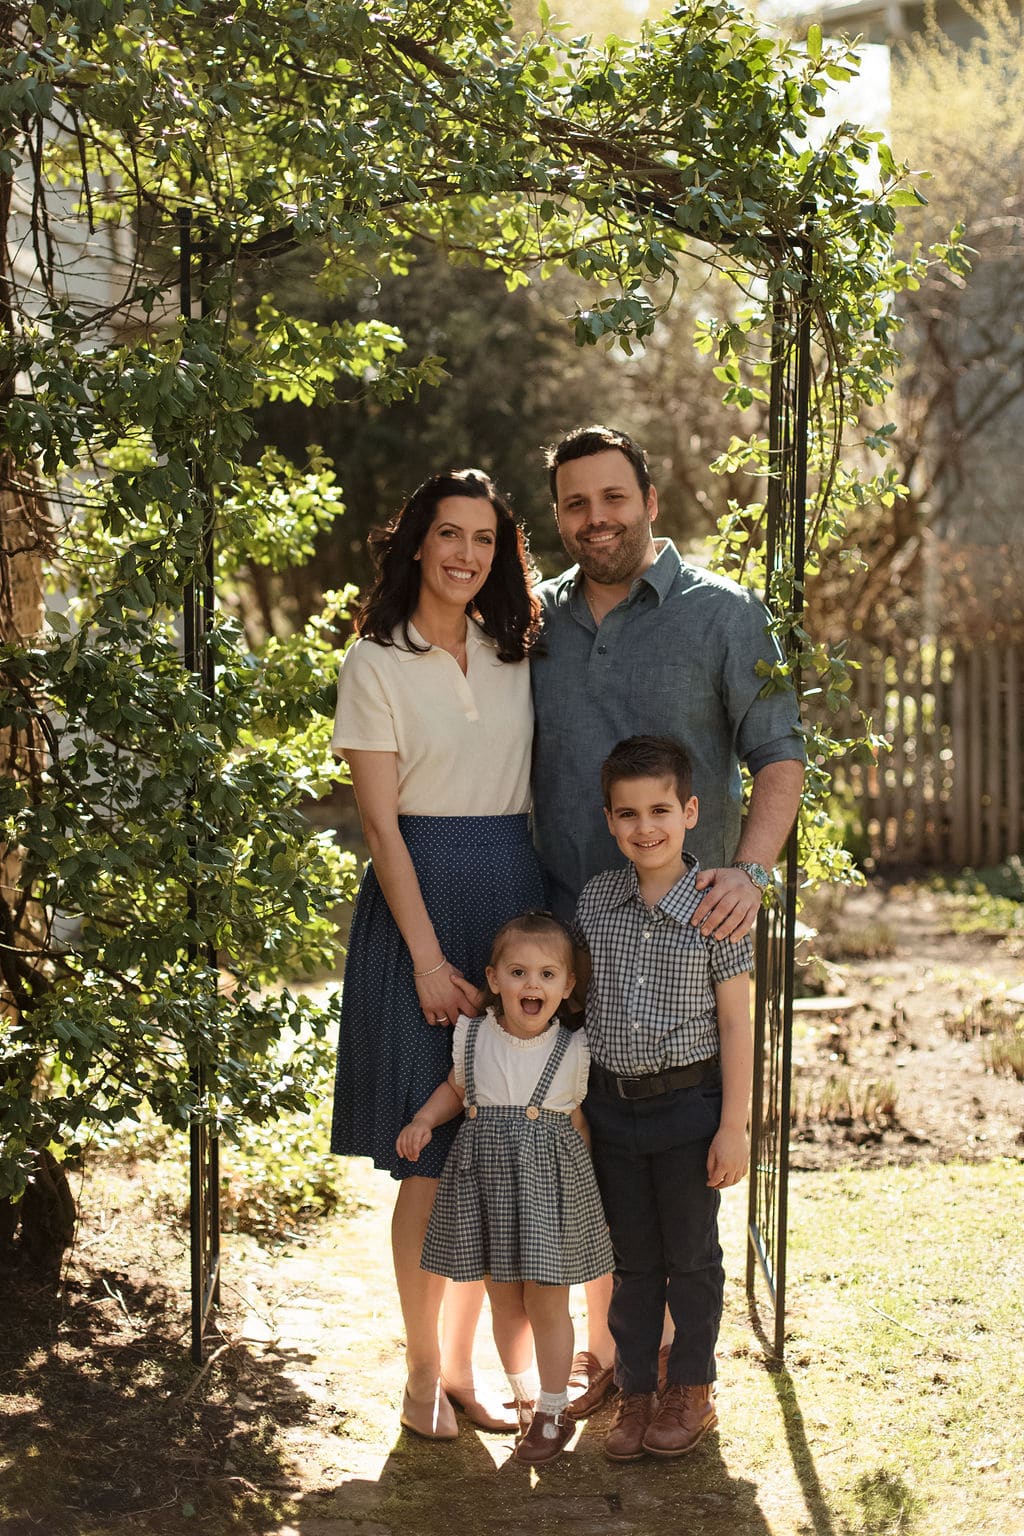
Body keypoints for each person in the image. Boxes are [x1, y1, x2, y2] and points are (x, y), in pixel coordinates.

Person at [530, 423, 805, 1414]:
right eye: (573, 502)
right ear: (555, 514)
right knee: (593, 1157)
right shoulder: (534, 620)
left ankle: (673, 1377)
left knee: (681, 1178)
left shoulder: (723, 613)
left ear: (649, 498)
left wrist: (749, 873)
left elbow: (778, 755)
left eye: (611, 497)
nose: (594, 518)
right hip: (564, 936)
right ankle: (614, 1358)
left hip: (689, 937)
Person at [330, 468, 544, 1440]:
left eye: (484, 540)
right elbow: (379, 828)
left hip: (509, 897)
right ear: (417, 541)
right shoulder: (373, 662)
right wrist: (423, 961)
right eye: (449, 534)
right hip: (415, 906)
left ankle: (462, 1372)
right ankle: (421, 1376)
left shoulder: (516, 651)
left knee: (492, 1151)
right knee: (429, 1168)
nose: (465, 554)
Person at [572, 735, 754, 1460]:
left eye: (659, 810)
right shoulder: (596, 901)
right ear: (609, 820)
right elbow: (578, 1008)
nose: (644, 827)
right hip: (614, 1111)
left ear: (690, 811)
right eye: (627, 814)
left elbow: (738, 1020)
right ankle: (637, 1394)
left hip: (688, 1110)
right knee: (633, 1260)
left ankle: (692, 1389)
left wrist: (734, 1125)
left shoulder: (717, 906)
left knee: (692, 1256)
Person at [396, 912, 614, 1466]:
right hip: (487, 1191)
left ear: (567, 987)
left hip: (549, 1196)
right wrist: (424, 1120)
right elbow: (454, 1089)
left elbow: (581, 1129)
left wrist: (583, 1202)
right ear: (494, 979)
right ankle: (523, 1394)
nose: (531, 985)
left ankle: (553, 1407)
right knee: (504, 1301)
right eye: (518, 972)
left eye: (546, 975)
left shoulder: (575, 1048)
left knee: (547, 1301)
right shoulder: (472, 1036)